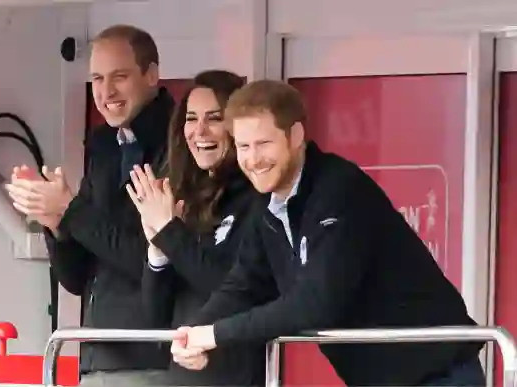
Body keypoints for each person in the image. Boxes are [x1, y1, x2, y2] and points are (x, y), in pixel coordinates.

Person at [168, 80, 486, 387]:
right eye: (243, 146)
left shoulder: (339, 190)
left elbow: (317, 303)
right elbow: (244, 285)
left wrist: (216, 335)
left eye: (264, 144)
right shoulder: (267, 205)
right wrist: (195, 331)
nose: (252, 159)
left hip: (439, 375)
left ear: (296, 136)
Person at [5, 24, 174, 387]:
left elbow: (152, 259)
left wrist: (73, 211)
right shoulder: (104, 146)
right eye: (97, 78)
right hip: (97, 357)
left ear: (152, 75)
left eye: (120, 76)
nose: (106, 91)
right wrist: (55, 223)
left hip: (157, 360)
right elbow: (78, 278)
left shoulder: (181, 144)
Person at [126, 70, 267, 386]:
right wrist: (157, 251)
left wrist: (169, 232)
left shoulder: (259, 198)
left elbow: (233, 291)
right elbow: (155, 320)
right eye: (191, 118)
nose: (199, 131)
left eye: (214, 118)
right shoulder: (183, 197)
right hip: (179, 377)